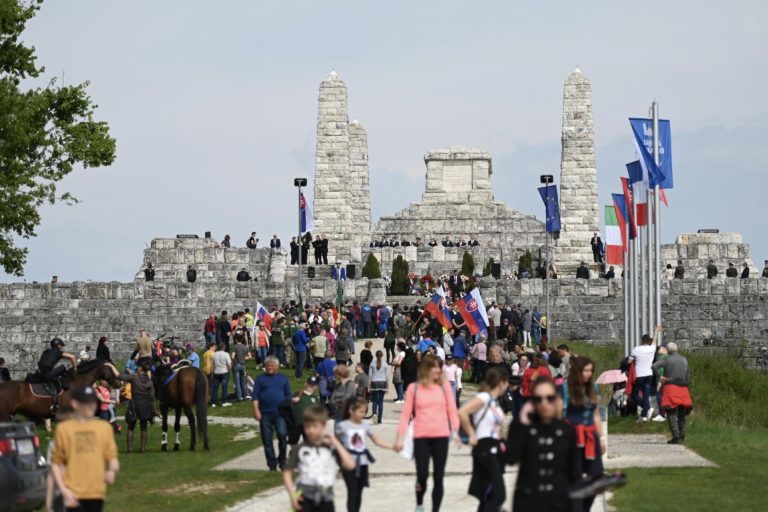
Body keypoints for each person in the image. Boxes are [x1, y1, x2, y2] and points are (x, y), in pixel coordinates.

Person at [394, 354, 461, 512]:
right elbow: (405, 415)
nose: (438, 370)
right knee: (422, 476)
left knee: (439, 476)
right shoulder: (413, 388)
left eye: (440, 366)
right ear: (425, 369)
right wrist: (399, 438)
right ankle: (419, 504)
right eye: (434, 367)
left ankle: (435, 509)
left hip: (441, 436)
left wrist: (457, 433)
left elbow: (452, 410)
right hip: (421, 436)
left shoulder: (444, 387)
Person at [506, 377, 580, 512]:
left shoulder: (567, 430)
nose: (544, 403)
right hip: (528, 502)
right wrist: (521, 421)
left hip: (559, 503)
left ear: (557, 399)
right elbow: (511, 458)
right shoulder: (523, 427)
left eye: (549, 398)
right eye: (538, 399)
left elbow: (575, 473)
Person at [51, 385, 119, 512]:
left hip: (96, 493)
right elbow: (56, 464)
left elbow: (112, 458)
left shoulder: (104, 428)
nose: (91, 406)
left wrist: (112, 471)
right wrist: (64, 491)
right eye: (86, 402)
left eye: (93, 402)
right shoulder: (64, 429)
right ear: (75, 404)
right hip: (72, 493)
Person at [282, 405, 355, 512]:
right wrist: (292, 494)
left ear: (323, 426)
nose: (310, 430)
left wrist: (335, 442)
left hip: (326, 498)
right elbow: (287, 472)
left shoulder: (330, 448)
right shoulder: (299, 449)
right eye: (307, 426)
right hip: (305, 496)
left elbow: (350, 465)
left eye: (315, 426)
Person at [458, 367, 508, 512]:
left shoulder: (493, 401)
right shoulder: (484, 398)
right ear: (501, 382)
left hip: (494, 448)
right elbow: (462, 412)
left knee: (489, 493)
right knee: (499, 495)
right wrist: (471, 434)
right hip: (484, 448)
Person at [336, 397, 394, 512]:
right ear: (351, 411)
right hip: (348, 463)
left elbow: (376, 441)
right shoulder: (343, 426)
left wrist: (392, 446)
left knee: (359, 492)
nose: (363, 415)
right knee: (352, 491)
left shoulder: (365, 426)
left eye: (364, 412)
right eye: (361, 412)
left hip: (363, 463)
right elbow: (335, 443)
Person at [563, 356, 606, 512]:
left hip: (590, 436)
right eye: (586, 370)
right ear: (578, 371)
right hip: (571, 438)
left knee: (597, 476)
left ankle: (583, 508)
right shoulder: (565, 389)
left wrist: (601, 438)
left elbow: (595, 414)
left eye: (591, 370)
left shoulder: (593, 388)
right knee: (575, 478)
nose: (589, 373)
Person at [253, 357, 292, 471]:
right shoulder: (260, 379)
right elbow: (255, 396)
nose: (269, 367)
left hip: (280, 413)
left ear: (277, 366)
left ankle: (282, 460)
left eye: (272, 365)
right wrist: (256, 410)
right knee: (267, 439)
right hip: (265, 413)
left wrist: (289, 409)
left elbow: (288, 396)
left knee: (282, 434)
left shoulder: (283, 379)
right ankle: (272, 464)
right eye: (267, 365)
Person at [652, 341, 693, 444]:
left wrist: (660, 377)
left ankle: (676, 436)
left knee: (671, 414)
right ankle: (682, 435)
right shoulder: (684, 360)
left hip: (671, 387)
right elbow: (688, 374)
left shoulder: (666, 360)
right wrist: (686, 384)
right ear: (677, 349)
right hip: (683, 388)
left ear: (668, 351)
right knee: (682, 414)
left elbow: (654, 366)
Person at [117, 359, 155, 452]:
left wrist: (112, 368)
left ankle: (129, 449)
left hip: (135, 404)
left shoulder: (134, 377)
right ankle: (142, 449)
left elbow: (120, 376)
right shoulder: (150, 382)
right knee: (144, 427)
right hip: (145, 405)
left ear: (141, 368)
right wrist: (154, 410)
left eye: (138, 367)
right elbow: (152, 397)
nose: (137, 368)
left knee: (131, 427)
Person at [630, 326, 661, 420]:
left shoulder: (636, 349)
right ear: (648, 341)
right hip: (649, 375)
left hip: (639, 375)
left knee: (634, 394)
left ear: (641, 341)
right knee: (646, 395)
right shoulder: (652, 348)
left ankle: (646, 409)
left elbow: (629, 360)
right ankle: (644, 414)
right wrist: (656, 331)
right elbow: (655, 340)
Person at [291, 376, 320, 444]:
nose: (311, 386)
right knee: (293, 442)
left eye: (313, 384)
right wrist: (292, 400)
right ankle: (294, 453)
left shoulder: (315, 398)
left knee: (308, 443)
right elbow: (287, 404)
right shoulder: (298, 394)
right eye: (310, 383)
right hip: (296, 423)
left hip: (308, 424)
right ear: (306, 383)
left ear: (316, 386)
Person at [368, 351, 389, 424]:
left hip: (374, 382)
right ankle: (380, 418)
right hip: (383, 382)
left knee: (374, 401)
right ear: (382, 355)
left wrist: (369, 386)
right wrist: (387, 387)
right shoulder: (385, 364)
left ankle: (374, 414)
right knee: (380, 401)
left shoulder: (372, 363)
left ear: (375, 355)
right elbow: (387, 376)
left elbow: (370, 375)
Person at [211, 343, 232, 408]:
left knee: (215, 388)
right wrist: (229, 370)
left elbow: (213, 365)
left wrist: (213, 372)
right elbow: (229, 364)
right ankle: (224, 402)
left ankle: (214, 402)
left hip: (216, 372)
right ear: (224, 347)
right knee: (224, 387)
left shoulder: (214, 354)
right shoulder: (226, 354)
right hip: (224, 372)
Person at [231, 337, 249, 401]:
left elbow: (233, 356)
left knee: (237, 382)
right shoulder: (245, 347)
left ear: (236, 339)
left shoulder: (235, 347)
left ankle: (239, 397)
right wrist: (244, 358)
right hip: (243, 365)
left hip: (237, 364)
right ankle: (245, 395)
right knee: (243, 381)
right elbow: (249, 356)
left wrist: (234, 360)